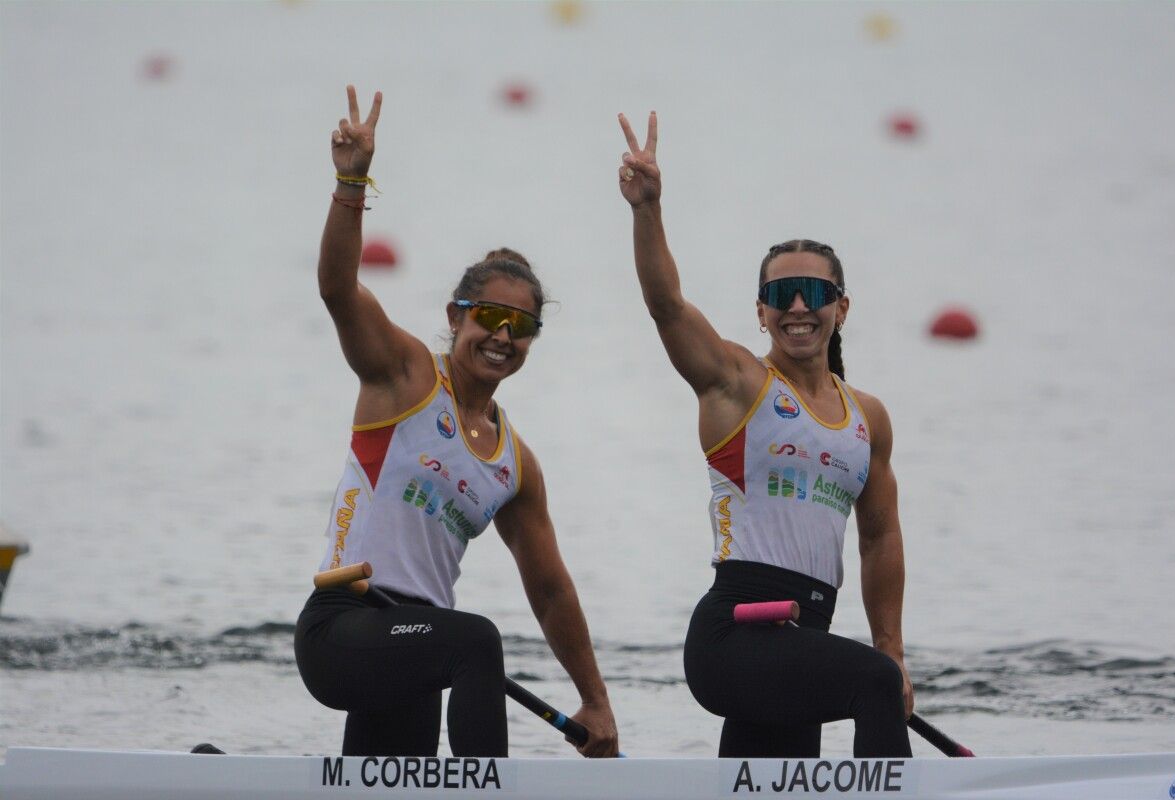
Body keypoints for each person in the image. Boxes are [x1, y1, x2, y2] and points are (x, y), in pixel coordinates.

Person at [294, 85, 619, 759]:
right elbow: (335, 288)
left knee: (396, 765)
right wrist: (351, 182)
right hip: (343, 628)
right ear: (455, 318)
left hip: (411, 652)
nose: (502, 337)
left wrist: (595, 698)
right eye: (489, 319)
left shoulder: (515, 464)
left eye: (522, 326)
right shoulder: (405, 376)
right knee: (476, 641)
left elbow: (552, 591)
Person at [615, 112, 913, 758]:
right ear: (761, 312)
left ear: (841, 306)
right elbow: (667, 307)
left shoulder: (869, 419)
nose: (798, 307)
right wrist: (648, 209)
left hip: (802, 638)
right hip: (736, 635)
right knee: (871, 685)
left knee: (788, 764)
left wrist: (891, 647)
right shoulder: (738, 384)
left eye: (813, 292)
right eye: (781, 294)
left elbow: (881, 536)